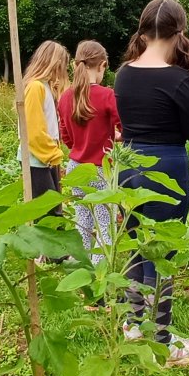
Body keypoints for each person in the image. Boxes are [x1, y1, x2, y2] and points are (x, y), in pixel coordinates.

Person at [114, 0, 189, 368]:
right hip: (167, 166)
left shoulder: (123, 73)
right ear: (179, 31)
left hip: (130, 166)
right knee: (163, 253)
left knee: (137, 245)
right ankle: (163, 344)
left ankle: (134, 324)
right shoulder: (179, 79)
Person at [57, 41, 120, 304]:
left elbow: (65, 137)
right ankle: (98, 287)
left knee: (83, 225)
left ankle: (82, 281)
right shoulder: (106, 95)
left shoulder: (65, 97)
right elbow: (121, 130)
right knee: (104, 228)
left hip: (75, 168)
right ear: (102, 65)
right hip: (99, 168)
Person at [18, 41, 70, 219]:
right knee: (46, 213)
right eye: (61, 64)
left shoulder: (46, 86)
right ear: (53, 62)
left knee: (55, 209)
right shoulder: (35, 87)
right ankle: (42, 248)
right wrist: (53, 155)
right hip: (36, 158)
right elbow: (32, 130)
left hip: (46, 157)